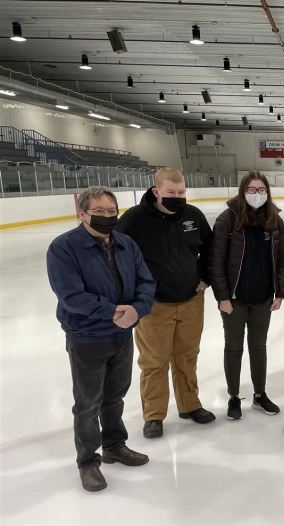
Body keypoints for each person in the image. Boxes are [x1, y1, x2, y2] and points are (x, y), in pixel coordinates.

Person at [46, 186, 155, 492]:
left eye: (112, 211)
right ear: (82, 214)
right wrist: (112, 311)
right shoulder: (64, 248)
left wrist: (137, 309)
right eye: (99, 212)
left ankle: (114, 446)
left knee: (115, 395)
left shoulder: (126, 244)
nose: (108, 217)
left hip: (122, 333)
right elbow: (71, 295)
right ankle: (88, 462)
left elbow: (146, 281)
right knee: (87, 403)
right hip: (87, 337)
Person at [116, 167, 215, 438]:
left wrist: (206, 278)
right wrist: (134, 294)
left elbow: (209, 249)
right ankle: (154, 415)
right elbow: (118, 256)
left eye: (182, 192)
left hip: (191, 299)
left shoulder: (193, 216)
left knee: (187, 356)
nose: (178, 197)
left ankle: (189, 405)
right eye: (171, 193)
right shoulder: (134, 220)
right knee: (154, 361)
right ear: (157, 191)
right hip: (153, 304)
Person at [209, 171, 284, 420]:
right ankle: (233, 396)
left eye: (261, 189)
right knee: (233, 348)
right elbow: (216, 261)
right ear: (243, 191)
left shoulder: (275, 221)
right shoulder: (227, 220)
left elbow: (282, 260)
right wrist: (222, 296)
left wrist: (279, 292)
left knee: (258, 348)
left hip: (263, 298)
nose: (257, 194)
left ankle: (260, 394)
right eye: (252, 189)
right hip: (234, 300)